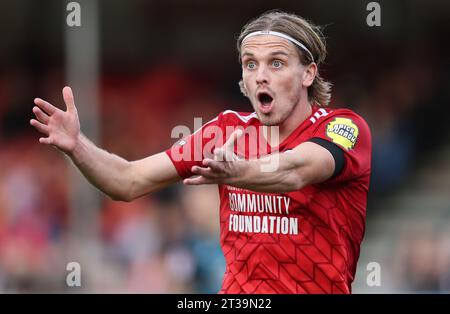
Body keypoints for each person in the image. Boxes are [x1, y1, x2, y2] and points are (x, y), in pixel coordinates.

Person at [30, 10, 371, 294]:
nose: (261, 76)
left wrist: (241, 173)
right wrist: (78, 147)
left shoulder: (343, 128)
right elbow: (127, 181)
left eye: (277, 63)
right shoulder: (226, 130)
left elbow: (295, 170)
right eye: (250, 64)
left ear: (308, 73)